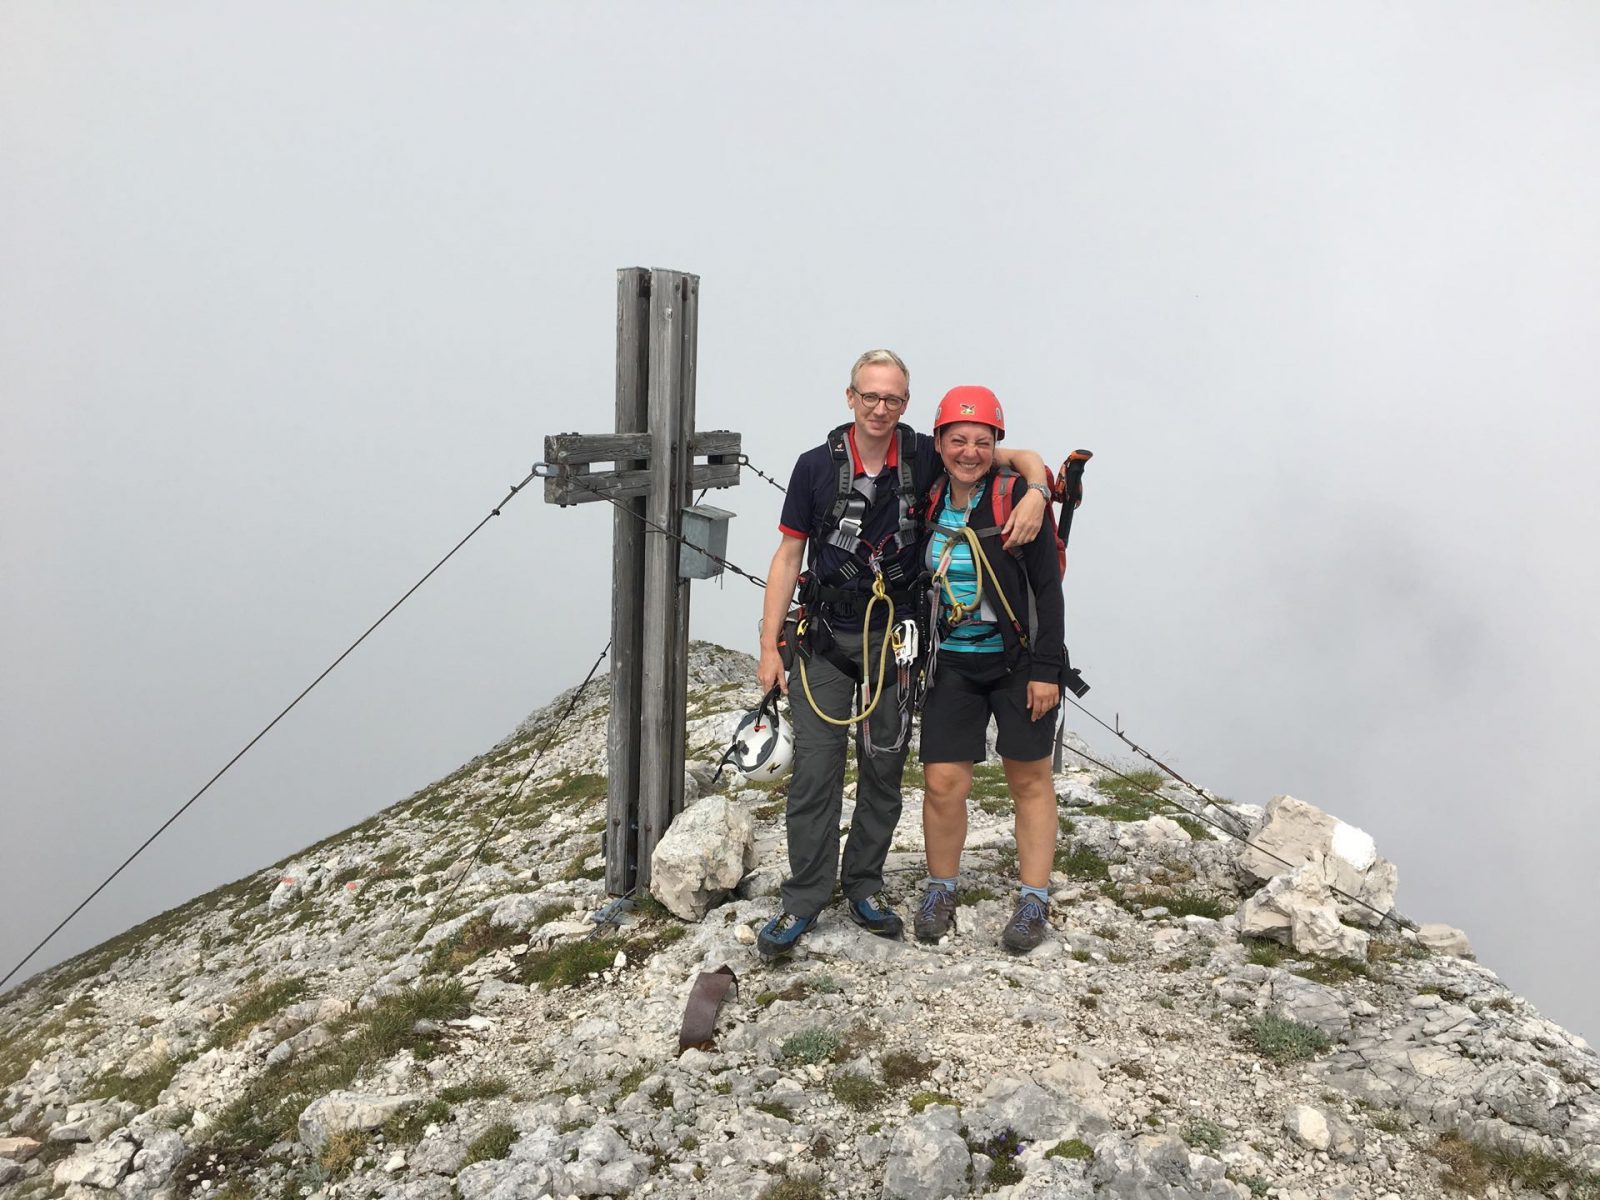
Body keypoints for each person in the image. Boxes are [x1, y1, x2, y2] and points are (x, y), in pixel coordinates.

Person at [754, 351, 1053, 960]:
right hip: (825, 638)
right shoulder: (814, 468)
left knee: (883, 766)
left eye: (892, 399)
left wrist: (1038, 490)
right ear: (850, 396)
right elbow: (788, 556)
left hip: (896, 638)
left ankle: (864, 885)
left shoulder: (923, 453)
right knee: (816, 770)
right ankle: (805, 897)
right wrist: (767, 645)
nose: (879, 408)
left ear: (906, 405)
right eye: (870, 396)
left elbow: (1006, 454)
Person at [912, 385, 1068, 953]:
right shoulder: (927, 497)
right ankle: (941, 887)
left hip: (1019, 662)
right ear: (940, 443)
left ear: (997, 444)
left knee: (1027, 777)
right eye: (958, 439)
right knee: (942, 781)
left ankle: (1033, 899)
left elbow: (1048, 593)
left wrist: (1046, 669)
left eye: (983, 440)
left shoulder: (1015, 500)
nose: (970, 451)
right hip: (950, 658)